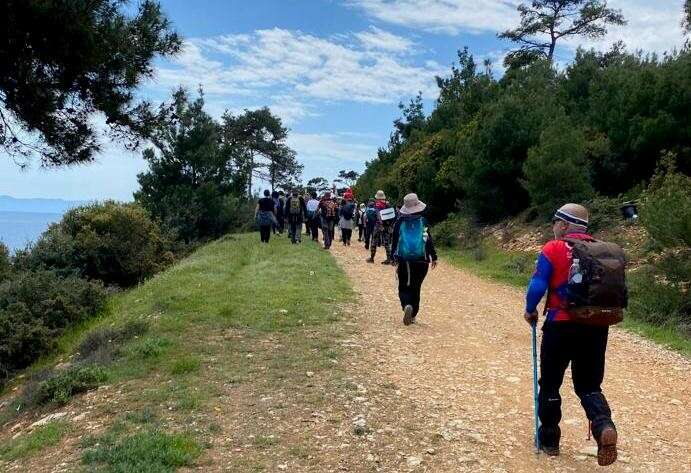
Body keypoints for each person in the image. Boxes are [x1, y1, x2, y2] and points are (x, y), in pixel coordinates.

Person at [524, 203, 624, 466]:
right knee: (589, 385)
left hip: (560, 326)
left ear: (565, 224)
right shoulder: (599, 251)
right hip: (596, 326)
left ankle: (550, 440)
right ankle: (604, 427)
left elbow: (537, 285)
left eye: (556, 221)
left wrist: (530, 309)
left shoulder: (554, 248)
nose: (554, 226)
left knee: (550, 383)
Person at [391, 193, 437, 325]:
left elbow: (394, 241)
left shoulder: (399, 222)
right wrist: (433, 256)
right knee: (416, 287)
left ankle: (406, 305)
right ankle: (413, 314)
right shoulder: (423, 221)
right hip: (421, 260)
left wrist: (392, 257)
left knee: (404, 285)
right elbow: (428, 240)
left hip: (404, 259)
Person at [366, 190, 395, 264]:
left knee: (374, 241)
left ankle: (372, 258)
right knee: (387, 242)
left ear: (377, 197)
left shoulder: (377, 204)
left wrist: (380, 223)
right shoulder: (388, 204)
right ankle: (389, 259)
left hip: (379, 225)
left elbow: (378, 214)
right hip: (387, 225)